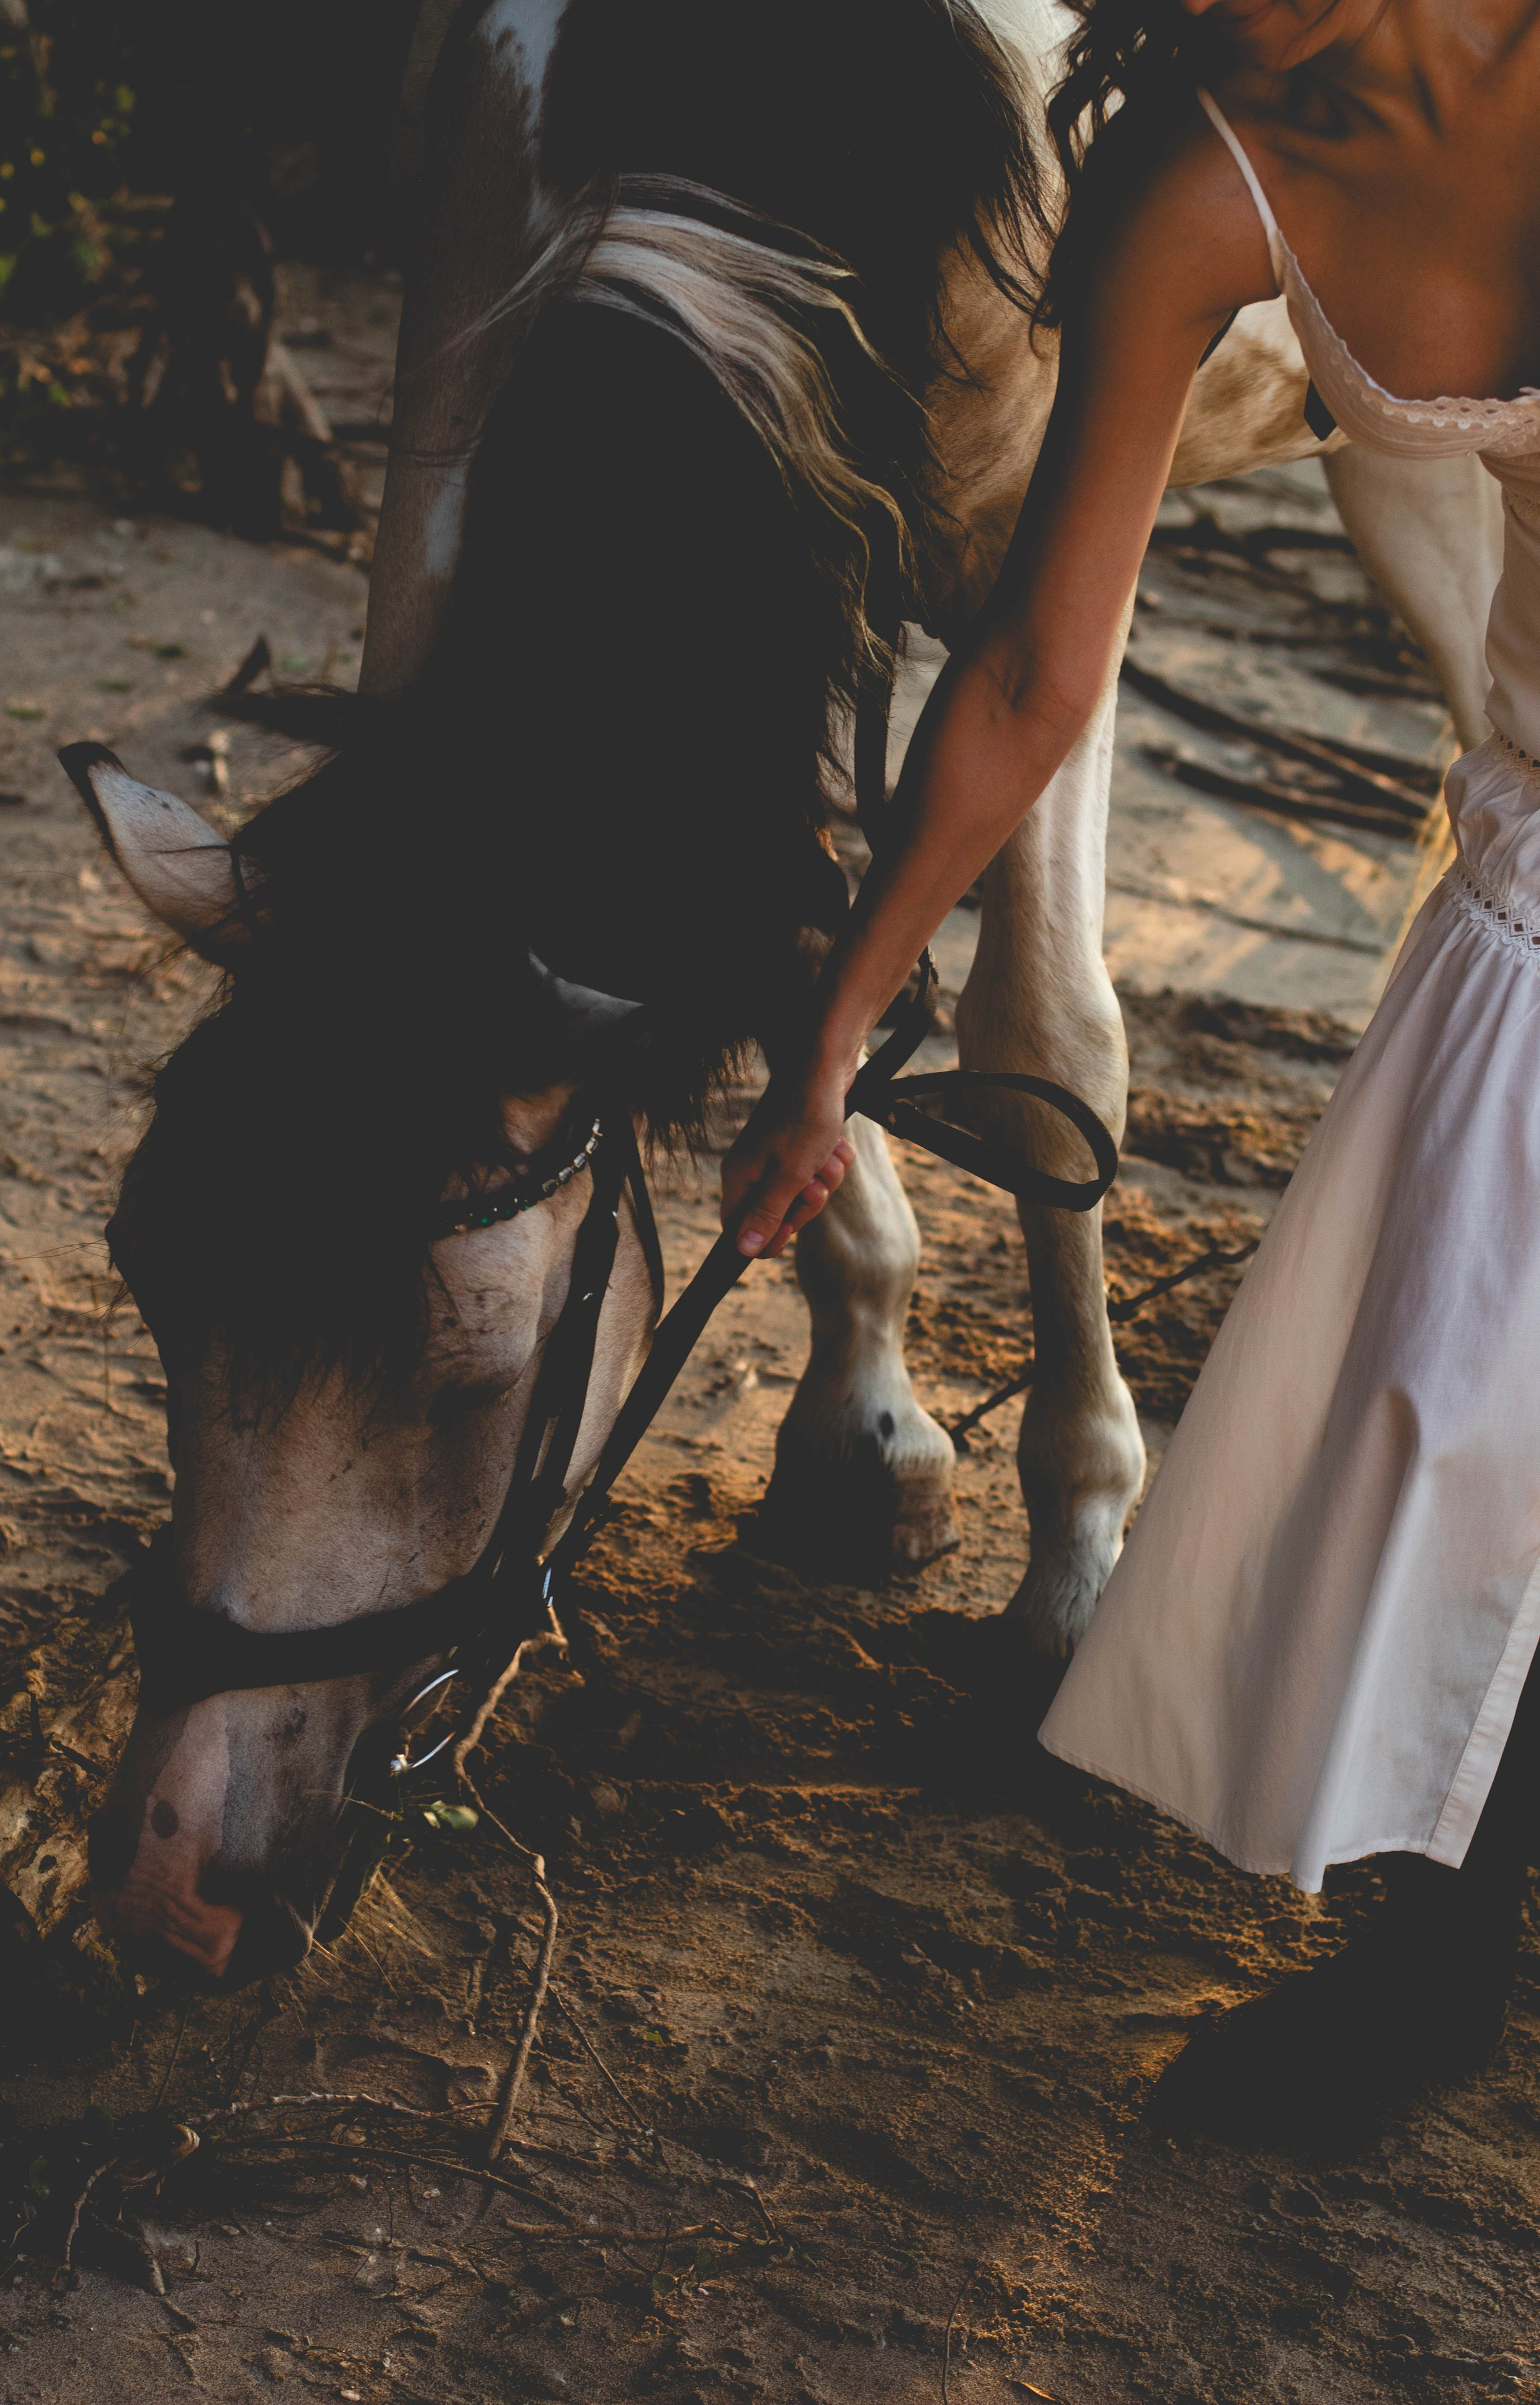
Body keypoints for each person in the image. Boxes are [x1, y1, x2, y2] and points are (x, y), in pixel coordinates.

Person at [721, 0, 1540, 2129]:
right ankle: (1442, 1971)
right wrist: (830, 1035)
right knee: (1449, 1435)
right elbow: (1019, 668)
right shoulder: (1200, 183)